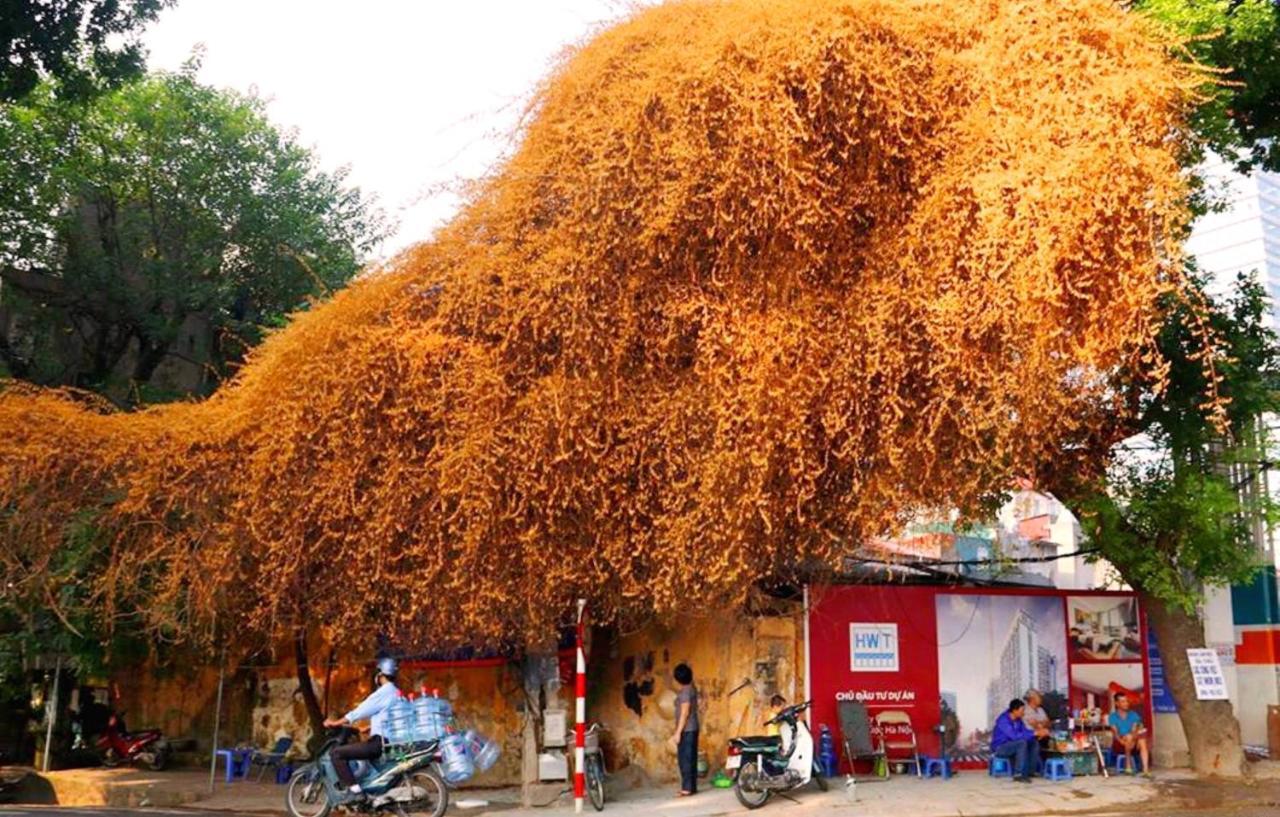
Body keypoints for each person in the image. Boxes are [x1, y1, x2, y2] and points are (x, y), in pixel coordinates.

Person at [323, 657, 401, 799]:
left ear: (380, 675)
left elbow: (361, 711)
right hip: (391, 742)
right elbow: (390, 718)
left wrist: (336, 722)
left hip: (379, 743)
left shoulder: (383, 692)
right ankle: (370, 794)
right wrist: (370, 727)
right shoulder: (397, 693)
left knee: (336, 754)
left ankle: (355, 792)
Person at [990, 698, 1042, 782]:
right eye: (1022, 710)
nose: (1023, 713)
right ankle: (1018, 774)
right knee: (1021, 743)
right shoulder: (1003, 720)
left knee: (1033, 743)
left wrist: (1037, 733)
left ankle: (1030, 771)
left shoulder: (1018, 720)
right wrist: (1034, 733)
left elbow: (1025, 732)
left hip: (1012, 745)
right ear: (1014, 710)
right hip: (1000, 748)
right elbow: (1014, 736)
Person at [669, 663, 699, 796]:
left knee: (685, 759)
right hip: (691, 728)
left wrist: (678, 732)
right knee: (690, 758)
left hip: (687, 729)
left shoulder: (686, 691)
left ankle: (687, 789)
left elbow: (685, 713)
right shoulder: (690, 688)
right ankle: (691, 787)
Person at [1108, 692, 1151, 778]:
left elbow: (1134, 730)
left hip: (1134, 741)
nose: (1126, 703)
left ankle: (1145, 770)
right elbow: (1115, 733)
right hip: (1120, 743)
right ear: (1117, 703)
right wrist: (1122, 741)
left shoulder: (1133, 715)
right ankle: (1128, 765)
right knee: (1128, 737)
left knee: (1141, 740)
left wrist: (1133, 739)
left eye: (1127, 701)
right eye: (1123, 701)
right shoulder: (1112, 716)